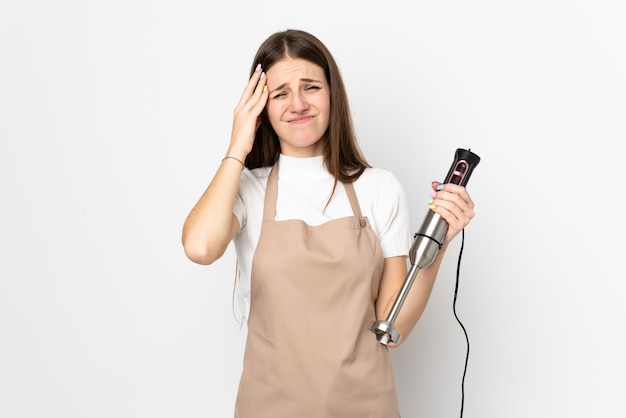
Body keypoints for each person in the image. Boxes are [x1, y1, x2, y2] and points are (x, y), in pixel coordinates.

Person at [182, 29, 475, 418]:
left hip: (365, 407)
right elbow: (200, 248)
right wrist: (238, 145)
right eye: (280, 92)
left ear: (332, 93)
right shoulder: (246, 190)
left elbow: (392, 324)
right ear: (260, 107)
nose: (298, 103)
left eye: (311, 87)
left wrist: (438, 242)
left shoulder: (379, 188)